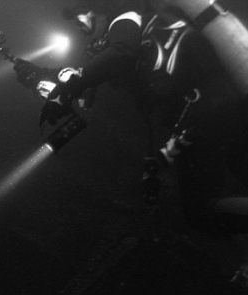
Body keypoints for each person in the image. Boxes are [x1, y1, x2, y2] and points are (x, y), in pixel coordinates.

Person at [15, 0, 248, 233]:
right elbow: (92, 76)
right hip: (218, 103)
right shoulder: (133, 38)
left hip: (203, 112)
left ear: (98, 10)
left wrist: (67, 92)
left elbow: (119, 54)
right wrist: (42, 76)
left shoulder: (125, 18)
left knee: (201, 212)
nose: (80, 27)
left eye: (80, 17)